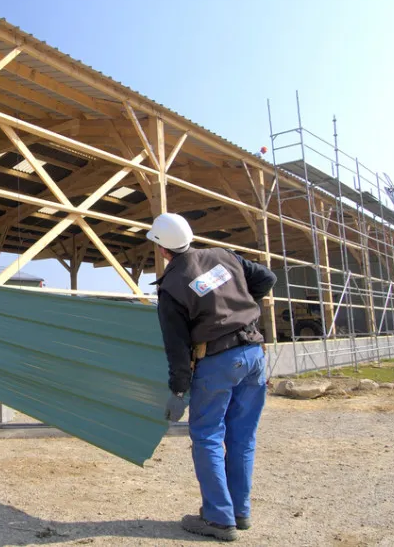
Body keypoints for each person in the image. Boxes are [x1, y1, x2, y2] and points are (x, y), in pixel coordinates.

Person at [147, 212, 277, 542]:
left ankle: (219, 519)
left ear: (162, 249)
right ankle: (239, 512)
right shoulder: (224, 256)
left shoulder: (171, 287)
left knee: (207, 436)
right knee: (242, 437)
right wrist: (241, 310)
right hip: (254, 355)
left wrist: (178, 392)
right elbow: (267, 278)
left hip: (218, 362)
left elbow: (177, 347)